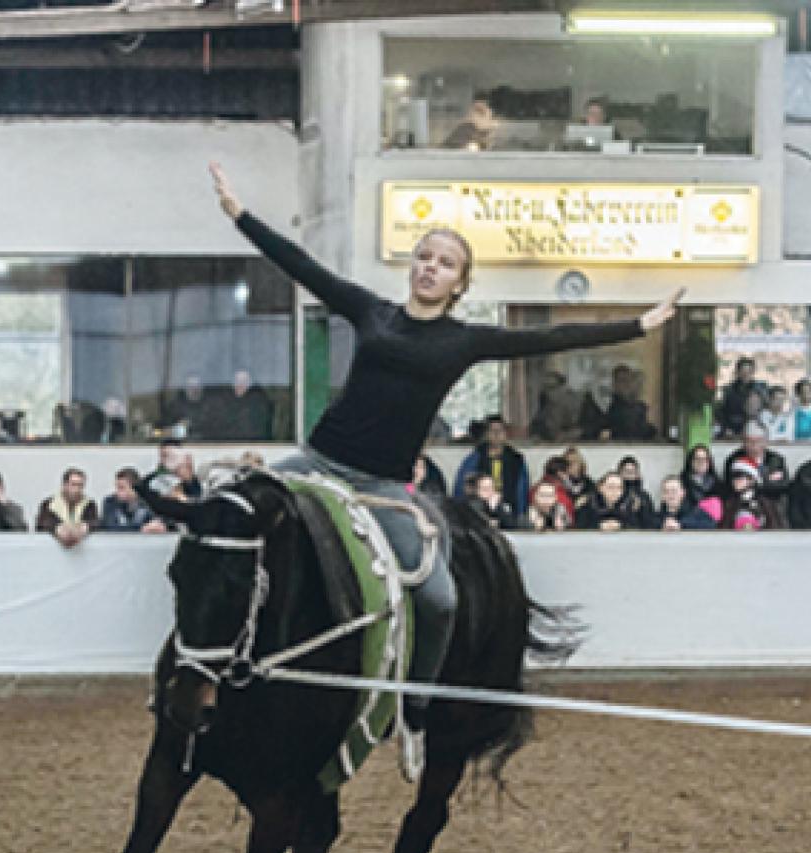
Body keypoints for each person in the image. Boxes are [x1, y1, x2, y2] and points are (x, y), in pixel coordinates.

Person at [213, 161, 680, 748]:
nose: (430, 267)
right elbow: (301, 266)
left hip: (382, 488)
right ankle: (212, 663)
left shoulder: (465, 340)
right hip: (318, 463)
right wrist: (240, 215)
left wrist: (639, 325)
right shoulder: (372, 311)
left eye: (445, 263)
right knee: (227, 513)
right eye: (424, 257)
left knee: (438, 598)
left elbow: (551, 338)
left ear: (460, 284)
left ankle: (414, 704)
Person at [454, 415, 530, 515]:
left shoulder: (517, 460)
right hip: (480, 510)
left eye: (500, 430)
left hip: (509, 510)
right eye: (492, 430)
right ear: (486, 434)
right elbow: (462, 487)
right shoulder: (475, 458)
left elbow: (521, 491)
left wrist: (520, 514)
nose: (496, 434)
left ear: (506, 434)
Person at [723, 423, 790, 526]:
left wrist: (754, 483)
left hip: (771, 507)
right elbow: (731, 488)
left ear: (765, 442)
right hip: (742, 506)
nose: (753, 445)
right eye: (749, 441)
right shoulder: (734, 459)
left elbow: (782, 486)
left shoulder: (776, 460)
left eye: (758, 441)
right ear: (743, 442)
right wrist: (765, 481)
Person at [692, 460, 766, 531]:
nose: (735, 480)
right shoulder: (727, 501)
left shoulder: (764, 502)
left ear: (752, 480)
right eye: (733, 476)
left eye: (739, 475)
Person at [36, 467, 100, 548]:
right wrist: (57, 529)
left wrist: (85, 528)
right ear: (64, 485)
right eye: (73, 485)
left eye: (80, 486)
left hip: (82, 552)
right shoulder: (49, 503)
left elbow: (95, 522)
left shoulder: (90, 504)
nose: (77, 489)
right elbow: (41, 524)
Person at [101, 467, 168, 533]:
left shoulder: (149, 501)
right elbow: (110, 528)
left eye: (121, 488)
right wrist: (141, 530)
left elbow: (162, 522)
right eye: (116, 487)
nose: (117, 492)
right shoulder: (110, 502)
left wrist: (160, 526)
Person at [212, 369, 273, 441]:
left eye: (244, 381)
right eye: (237, 381)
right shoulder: (222, 402)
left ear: (250, 384)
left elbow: (258, 432)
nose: (240, 385)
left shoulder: (258, 404)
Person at [717, 357, 766, 437]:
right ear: (738, 371)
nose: (746, 374)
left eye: (749, 371)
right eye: (743, 371)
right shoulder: (729, 390)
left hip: (752, 429)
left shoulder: (760, 389)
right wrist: (726, 428)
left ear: (753, 372)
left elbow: (764, 410)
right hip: (732, 428)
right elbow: (722, 412)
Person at [529, 369, 583, 441]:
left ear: (563, 387)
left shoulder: (576, 403)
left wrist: (569, 435)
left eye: (552, 387)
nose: (549, 392)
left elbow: (586, 428)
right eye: (546, 388)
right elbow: (537, 427)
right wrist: (537, 436)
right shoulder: (545, 406)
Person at [616, 455, 655, 527]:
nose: (630, 474)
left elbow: (650, 521)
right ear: (620, 473)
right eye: (626, 471)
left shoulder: (645, 496)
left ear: (638, 474)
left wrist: (641, 509)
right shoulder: (615, 494)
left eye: (633, 471)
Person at [680, 444, 720, 509]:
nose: (701, 462)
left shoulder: (717, 483)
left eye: (705, 459)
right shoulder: (681, 483)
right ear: (690, 461)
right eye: (697, 459)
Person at [561, 447, 598, 514]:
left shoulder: (588, 482)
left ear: (581, 464)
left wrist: (586, 497)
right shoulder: (560, 482)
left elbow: (595, 496)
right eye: (568, 463)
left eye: (574, 462)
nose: (571, 465)